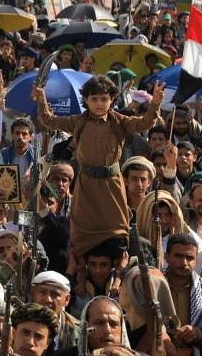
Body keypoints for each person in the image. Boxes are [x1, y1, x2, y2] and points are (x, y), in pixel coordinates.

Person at [33, 75, 165, 269]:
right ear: (86, 100)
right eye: (94, 99)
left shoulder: (119, 121)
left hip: (112, 186)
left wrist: (155, 103)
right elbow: (48, 120)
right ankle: (79, 278)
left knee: (118, 235)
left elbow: (145, 123)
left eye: (104, 98)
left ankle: (118, 275)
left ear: (112, 100)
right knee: (80, 237)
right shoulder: (78, 122)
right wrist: (42, 99)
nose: (100, 103)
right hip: (86, 187)